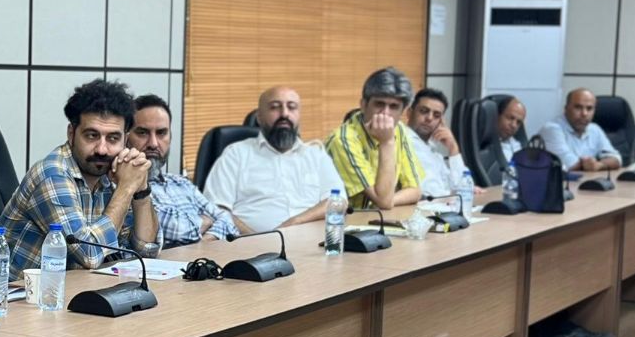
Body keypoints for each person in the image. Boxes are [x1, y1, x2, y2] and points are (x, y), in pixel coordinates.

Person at [1, 79, 157, 270]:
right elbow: (89, 254)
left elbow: (146, 252)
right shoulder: (52, 174)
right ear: (71, 133)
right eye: (92, 136)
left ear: (125, 140)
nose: (102, 149)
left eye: (113, 138)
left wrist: (141, 191)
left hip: (84, 286)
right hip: (27, 289)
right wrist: (126, 189)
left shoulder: (115, 173)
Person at [206, 85, 343, 230]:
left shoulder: (316, 155)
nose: (284, 114)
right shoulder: (235, 154)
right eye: (275, 107)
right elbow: (216, 209)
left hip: (313, 241)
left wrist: (294, 223)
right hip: (251, 242)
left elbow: (338, 201)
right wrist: (256, 238)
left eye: (292, 107)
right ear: (259, 117)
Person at [126, 94, 238, 246]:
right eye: (142, 132)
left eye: (161, 133)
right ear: (126, 137)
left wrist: (203, 242)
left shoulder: (180, 182)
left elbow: (227, 221)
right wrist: (205, 222)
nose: (153, 143)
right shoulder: (122, 187)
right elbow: (178, 229)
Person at [328, 68, 424, 213]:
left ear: (402, 112)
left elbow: (415, 191)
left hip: (374, 219)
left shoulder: (399, 129)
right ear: (363, 105)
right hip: (337, 222)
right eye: (379, 104)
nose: (385, 113)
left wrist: (390, 199)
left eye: (394, 106)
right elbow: (383, 201)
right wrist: (387, 143)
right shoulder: (343, 139)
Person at [404, 87, 495, 202]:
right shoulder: (403, 141)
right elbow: (430, 193)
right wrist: (456, 192)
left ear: (440, 122)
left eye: (436, 115)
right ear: (409, 113)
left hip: (441, 207)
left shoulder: (431, 148)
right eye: (424, 111)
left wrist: (453, 148)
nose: (429, 118)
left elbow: (463, 185)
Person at [538, 88, 622, 173]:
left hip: (587, 180)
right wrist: (591, 164)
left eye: (589, 108)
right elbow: (570, 164)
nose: (584, 113)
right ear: (566, 108)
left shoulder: (594, 129)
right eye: (578, 107)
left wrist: (599, 165)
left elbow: (617, 159)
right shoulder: (551, 129)